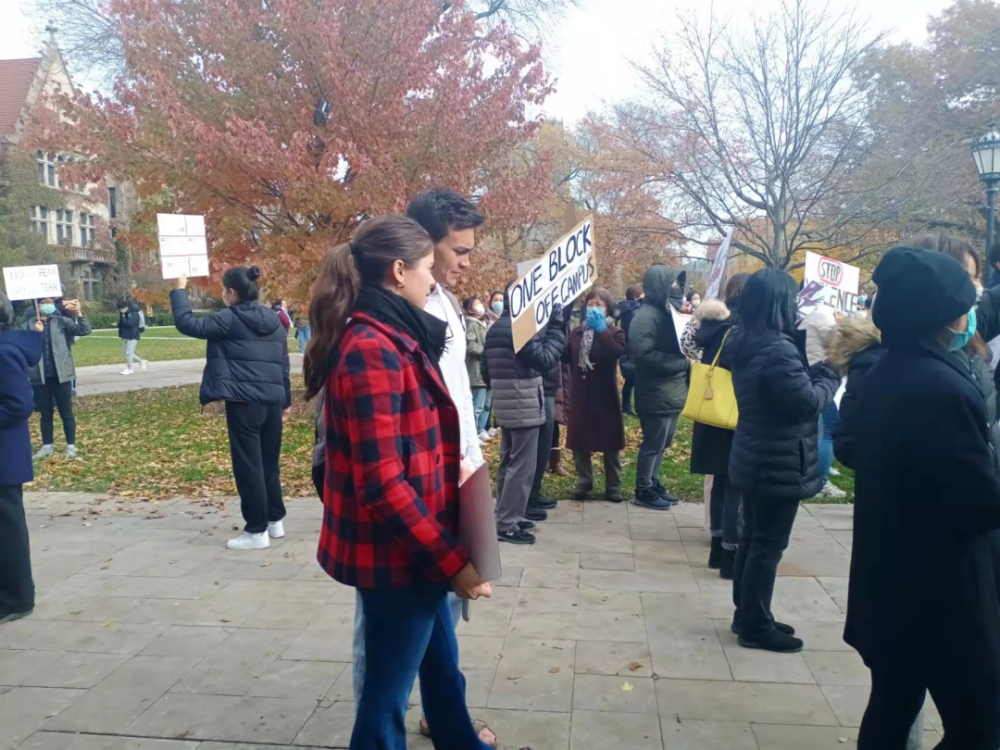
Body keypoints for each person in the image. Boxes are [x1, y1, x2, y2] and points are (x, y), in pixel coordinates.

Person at [304, 215, 505, 750]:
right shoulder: (371, 346)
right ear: (398, 272)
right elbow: (382, 482)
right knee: (384, 703)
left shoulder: (393, 333)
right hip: (397, 554)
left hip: (415, 547)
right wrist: (453, 563)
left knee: (440, 666)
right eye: (424, 270)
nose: (433, 281)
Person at [835, 246, 1000, 748]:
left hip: (894, 579)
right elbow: (977, 500)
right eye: (963, 307)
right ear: (941, 316)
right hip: (942, 590)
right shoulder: (936, 386)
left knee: (892, 705)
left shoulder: (889, 371)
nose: (969, 317)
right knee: (979, 726)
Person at [728, 269, 839, 653]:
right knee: (767, 546)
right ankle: (755, 625)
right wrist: (830, 375)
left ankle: (748, 614)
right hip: (776, 460)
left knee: (753, 540)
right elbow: (806, 401)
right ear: (780, 303)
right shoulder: (777, 348)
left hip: (756, 454)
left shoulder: (747, 339)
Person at [171, 267, 291, 550]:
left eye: (224, 289)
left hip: (244, 402)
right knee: (268, 463)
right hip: (271, 403)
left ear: (231, 292)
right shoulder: (276, 321)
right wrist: (284, 400)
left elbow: (188, 324)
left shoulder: (229, 318)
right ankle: (275, 521)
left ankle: (256, 530)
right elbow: (282, 364)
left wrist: (179, 289)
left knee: (249, 466)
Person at [483, 284, 566, 544]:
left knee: (509, 462)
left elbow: (487, 370)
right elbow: (544, 360)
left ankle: (506, 516)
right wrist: (555, 327)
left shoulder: (497, 326)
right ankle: (507, 524)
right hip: (524, 404)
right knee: (522, 466)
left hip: (507, 402)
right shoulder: (521, 328)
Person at [689, 273, 750, 579]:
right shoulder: (741, 331)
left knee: (720, 479)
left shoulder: (712, 328)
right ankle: (729, 550)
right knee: (734, 482)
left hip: (712, 413)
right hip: (735, 412)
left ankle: (716, 546)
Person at [628, 265, 690, 510]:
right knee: (653, 444)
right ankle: (643, 489)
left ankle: (652, 482)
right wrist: (682, 362)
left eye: (679, 284)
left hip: (671, 392)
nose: (677, 289)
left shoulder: (666, 313)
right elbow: (644, 355)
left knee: (663, 444)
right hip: (656, 393)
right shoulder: (645, 317)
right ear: (660, 285)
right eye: (672, 284)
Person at [0, 292, 42, 625]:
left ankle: (17, 599)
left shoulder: (5, 352)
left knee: (8, 528)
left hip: (4, 457)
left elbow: (18, 404)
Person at [565, 288, 627, 501]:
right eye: (591, 304)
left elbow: (615, 353)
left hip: (604, 394)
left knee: (610, 442)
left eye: (599, 305)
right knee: (580, 441)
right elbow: (566, 356)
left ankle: (613, 485)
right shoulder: (577, 332)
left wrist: (601, 330)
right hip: (581, 395)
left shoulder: (615, 332)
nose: (594, 308)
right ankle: (584, 482)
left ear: (608, 308)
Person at [27, 296, 90, 460]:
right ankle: (47, 446)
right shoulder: (29, 324)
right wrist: (35, 334)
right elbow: (24, 347)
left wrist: (79, 313)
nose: (47, 305)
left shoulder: (61, 321)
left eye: (50, 302)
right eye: (43, 302)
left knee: (66, 413)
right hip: (40, 377)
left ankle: (71, 448)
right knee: (45, 414)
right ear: (37, 305)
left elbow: (84, 331)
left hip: (61, 375)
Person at [798, 304, 846, 499]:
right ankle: (822, 481)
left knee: (820, 431)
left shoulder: (810, 317)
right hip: (823, 377)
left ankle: (817, 476)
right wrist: (842, 325)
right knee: (827, 432)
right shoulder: (824, 317)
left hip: (812, 375)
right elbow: (842, 343)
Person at [464, 297, 490, 439]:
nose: (480, 306)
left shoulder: (484, 323)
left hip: (487, 370)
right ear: (470, 309)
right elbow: (470, 345)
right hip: (477, 369)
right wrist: (487, 351)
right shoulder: (471, 324)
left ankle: (481, 429)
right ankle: (473, 433)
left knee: (486, 404)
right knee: (477, 405)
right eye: (476, 304)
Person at [618, 284, 642, 416]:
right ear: (637, 296)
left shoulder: (627, 310)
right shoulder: (634, 311)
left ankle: (626, 407)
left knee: (631, 380)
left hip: (629, 348)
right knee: (635, 380)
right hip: (634, 348)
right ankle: (630, 408)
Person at [116, 299, 148, 375]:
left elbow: (130, 324)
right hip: (125, 334)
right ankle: (141, 361)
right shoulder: (123, 313)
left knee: (128, 353)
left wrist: (123, 316)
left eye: (121, 309)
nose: (120, 311)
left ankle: (130, 369)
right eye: (119, 309)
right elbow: (123, 323)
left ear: (126, 307)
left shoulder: (134, 313)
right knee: (126, 352)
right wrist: (118, 324)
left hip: (133, 334)